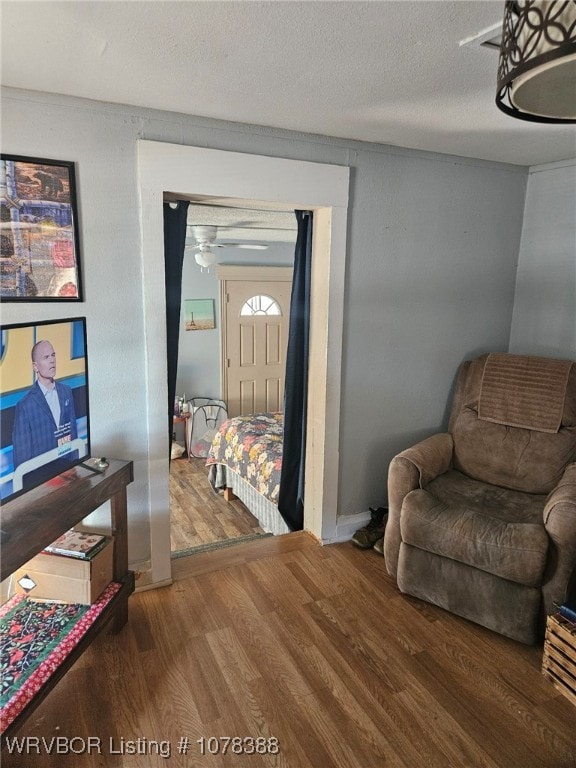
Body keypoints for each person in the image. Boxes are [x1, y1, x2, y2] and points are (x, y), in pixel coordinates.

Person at [12, 340, 78, 486]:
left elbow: (73, 435)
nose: (52, 360)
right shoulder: (25, 405)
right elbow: (21, 462)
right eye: (46, 357)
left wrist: (76, 468)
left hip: (69, 475)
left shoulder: (66, 392)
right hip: (41, 483)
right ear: (35, 366)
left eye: (53, 355)